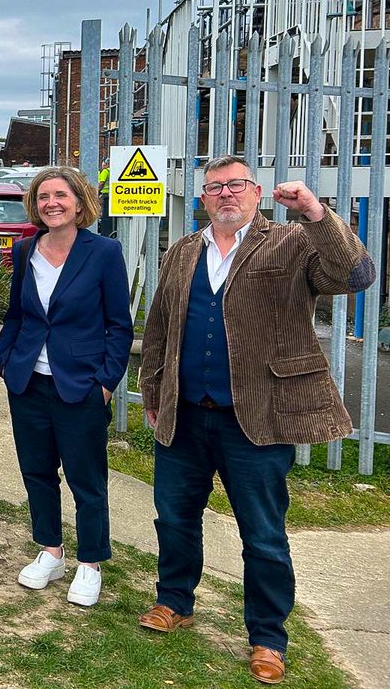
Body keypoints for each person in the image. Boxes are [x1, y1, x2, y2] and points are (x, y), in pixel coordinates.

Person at [138, 155, 374, 686]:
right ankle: (173, 601)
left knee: (263, 535)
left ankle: (267, 637)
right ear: (203, 198)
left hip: (259, 420)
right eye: (215, 187)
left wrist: (317, 212)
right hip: (184, 415)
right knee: (174, 520)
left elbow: (355, 274)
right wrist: (153, 392)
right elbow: (159, 330)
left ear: (258, 192)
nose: (225, 194)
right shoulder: (182, 252)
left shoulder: (291, 243)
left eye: (236, 185)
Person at [0, 166, 133, 607]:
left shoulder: (104, 252)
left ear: (79, 202)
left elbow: (119, 325)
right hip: (28, 381)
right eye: (43, 196)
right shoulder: (26, 248)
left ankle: (90, 563)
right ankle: (50, 550)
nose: (51, 203)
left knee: (85, 479)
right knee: (37, 472)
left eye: (60, 195)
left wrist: (106, 383)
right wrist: (5, 360)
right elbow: (17, 313)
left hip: (81, 385)